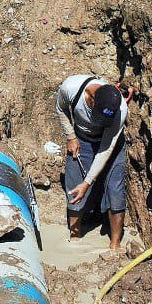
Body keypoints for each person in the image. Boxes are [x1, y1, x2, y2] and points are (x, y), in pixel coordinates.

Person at [56, 74, 133, 251]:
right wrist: (71, 137)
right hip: (82, 139)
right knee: (75, 184)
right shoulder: (70, 88)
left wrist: (88, 182)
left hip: (110, 144)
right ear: (91, 97)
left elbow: (106, 149)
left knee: (115, 187)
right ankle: (74, 236)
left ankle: (115, 245)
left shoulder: (120, 108)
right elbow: (61, 109)